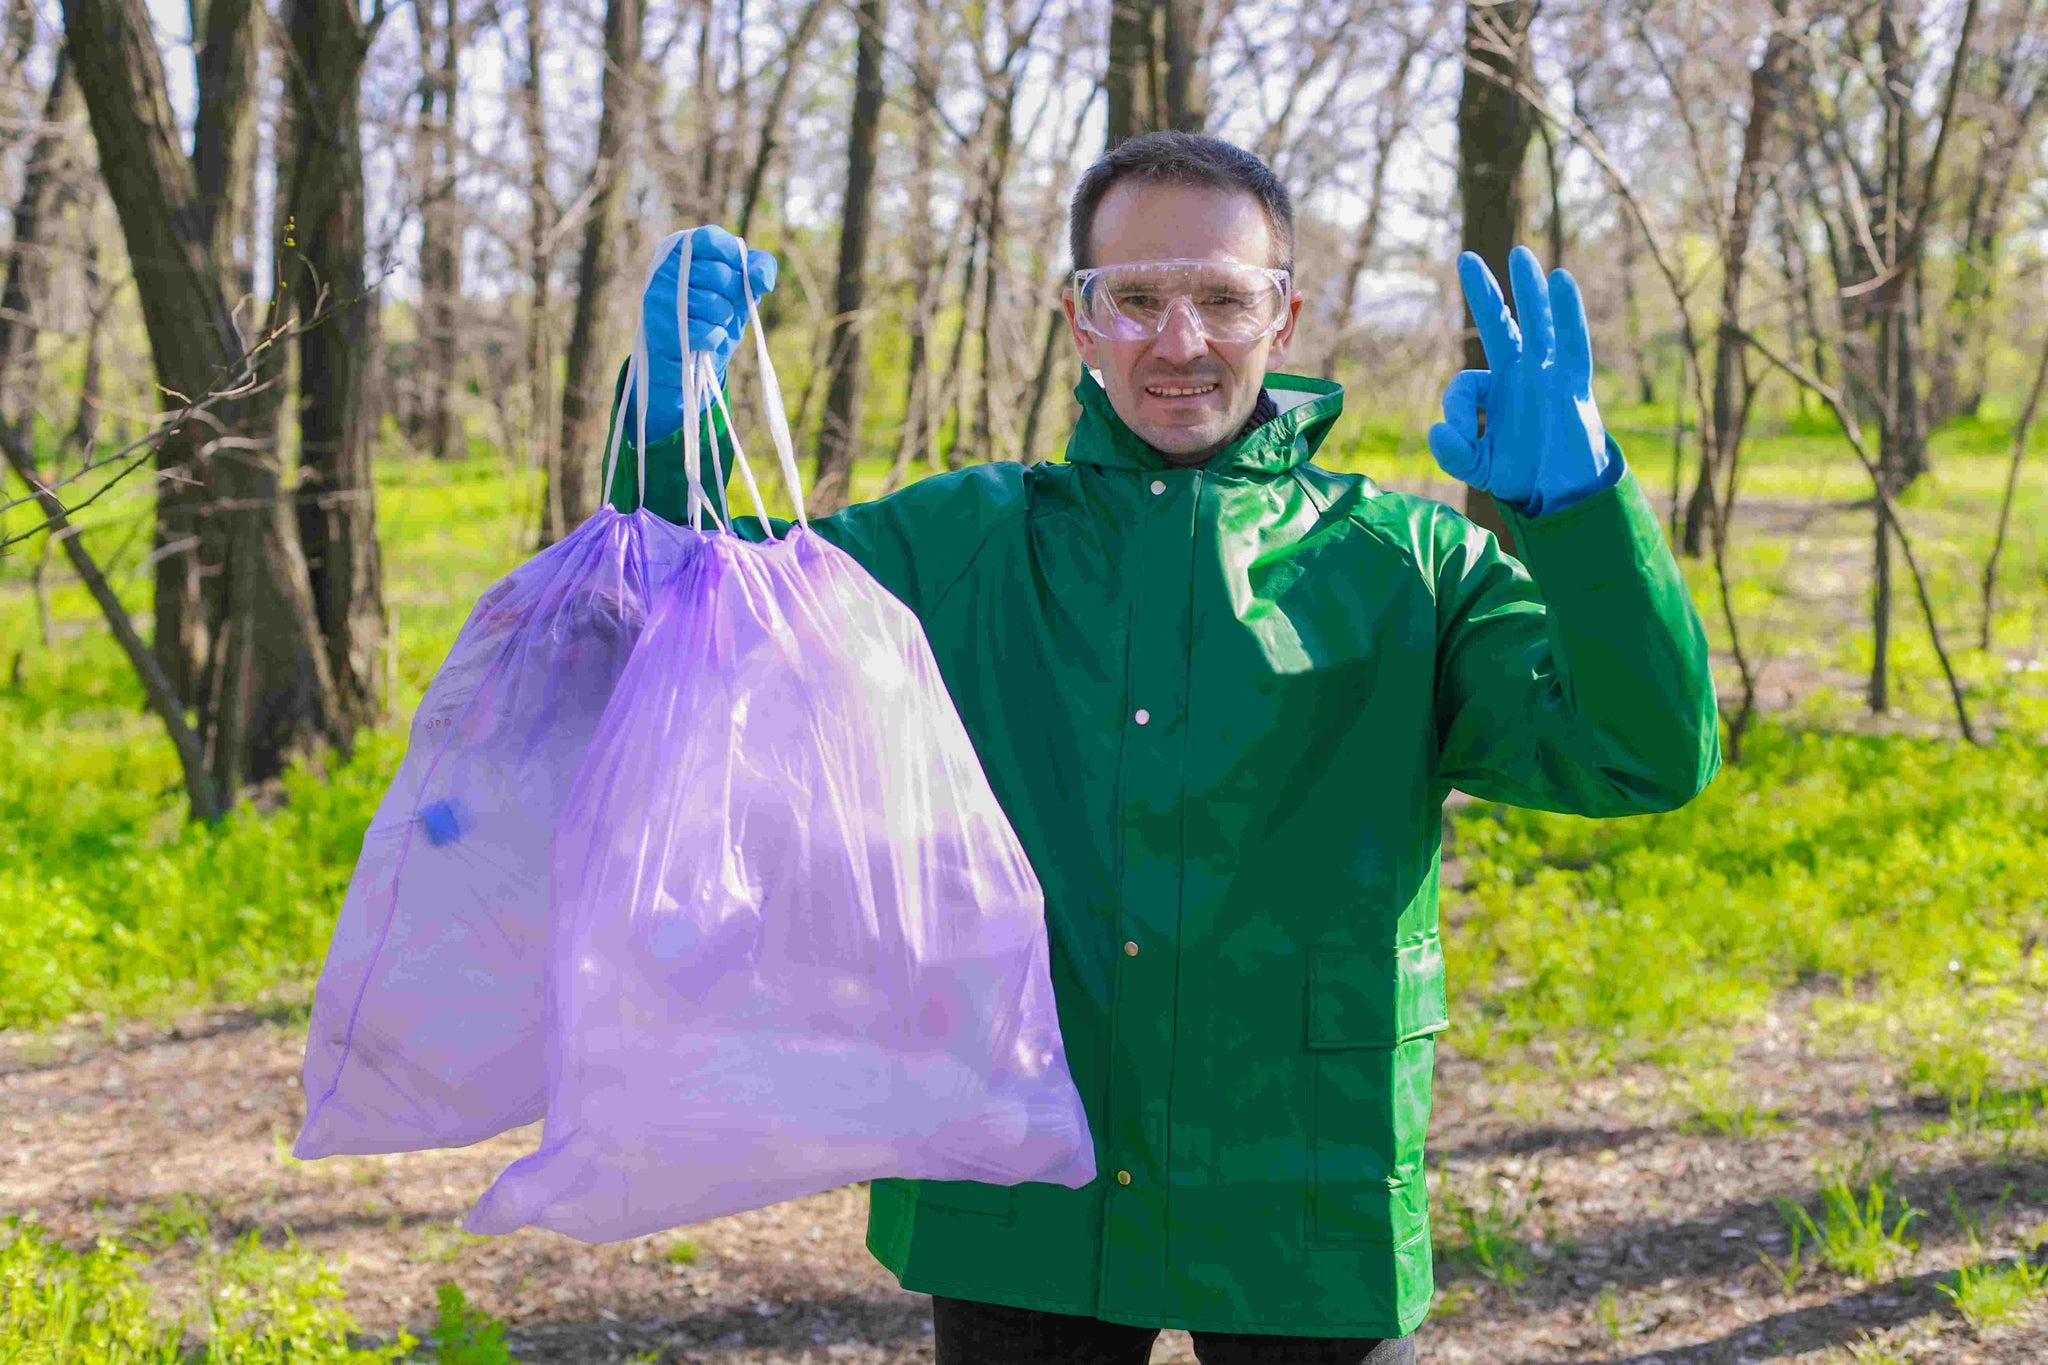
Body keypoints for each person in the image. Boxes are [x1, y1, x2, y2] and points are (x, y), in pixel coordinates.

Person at [610, 132, 1719, 1365]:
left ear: (1282, 315)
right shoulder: (961, 544)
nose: (1177, 342)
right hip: (1020, 1160)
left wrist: (1579, 516)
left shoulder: (1406, 568)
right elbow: (684, 617)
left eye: (1220, 299)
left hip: (1304, 1169)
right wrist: (668, 426)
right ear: (1078, 320)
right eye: (1133, 298)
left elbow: (1642, 755)